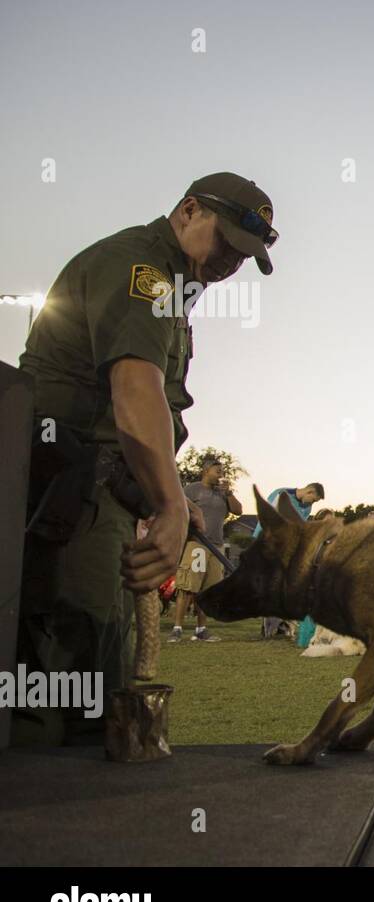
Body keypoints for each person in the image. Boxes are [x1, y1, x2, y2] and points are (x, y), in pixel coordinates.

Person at [15, 172, 276, 745]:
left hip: (94, 492)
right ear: (187, 211)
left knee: (94, 673)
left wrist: (171, 495)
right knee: (64, 678)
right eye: (226, 240)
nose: (232, 259)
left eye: (244, 253)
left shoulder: (172, 287)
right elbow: (135, 396)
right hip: (66, 494)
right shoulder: (146, 273)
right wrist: (170, 505)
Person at [170, 457, 243, 643]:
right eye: (217, 471)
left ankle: (201, 629)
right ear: (206, 471)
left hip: (216, 547)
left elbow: (239, 510)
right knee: (188, 586)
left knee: (207, 590)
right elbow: (178, 507)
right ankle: (177, 629)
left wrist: (229, 494)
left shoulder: (222, 493)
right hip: (198, 545)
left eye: (222, 471)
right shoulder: (192, 489)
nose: (221, 474)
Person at [254, 483, 324, 641]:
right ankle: (270, 629)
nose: (311, 504)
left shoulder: (306, 508)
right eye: (313, 499)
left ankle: (281, 626)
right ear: (309, 490)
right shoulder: (281, 494)